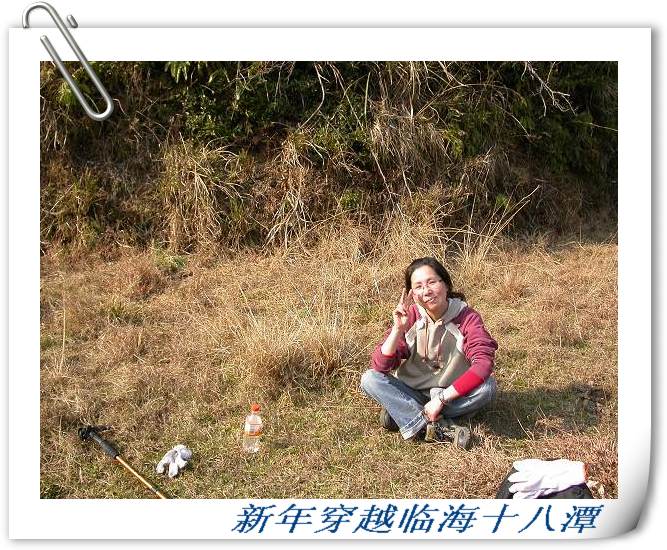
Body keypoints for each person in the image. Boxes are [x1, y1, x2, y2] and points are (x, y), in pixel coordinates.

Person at [360, 257, 498, 447]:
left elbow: (483, 364)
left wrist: (441, 399)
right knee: (370, 379)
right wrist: (397, 329)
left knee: (488, 387)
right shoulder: (411, 317)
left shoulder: (467, 317)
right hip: (413, 390)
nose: (426, 291)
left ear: (446, 284)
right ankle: (436, 427)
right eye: (418, 286)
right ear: (412, 294)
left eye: (432, 282)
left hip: (451, 395)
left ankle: (405, 414)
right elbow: (381, 366)